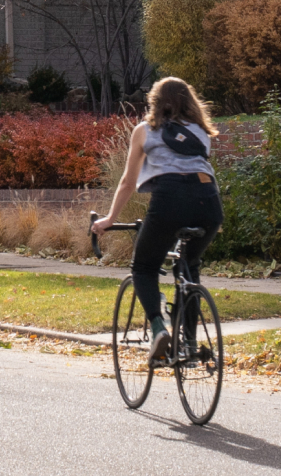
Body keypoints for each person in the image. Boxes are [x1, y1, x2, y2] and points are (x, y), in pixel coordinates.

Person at [91, 77, 223, 364]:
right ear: (191, 102)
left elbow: (128, 181)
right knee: (190, 264)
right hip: (210, 201)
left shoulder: (145, 131)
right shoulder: (201, 131)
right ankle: (189, 341)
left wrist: (110, 218)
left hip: (170, 200)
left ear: (154, 102)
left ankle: (159, 328)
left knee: (144, 266)